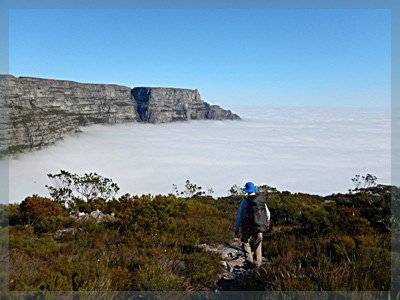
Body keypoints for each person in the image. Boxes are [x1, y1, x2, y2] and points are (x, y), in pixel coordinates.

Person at [234, 182, 271, 268]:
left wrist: (236, 228)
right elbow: (268, 213)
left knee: (245, 241)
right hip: (259, 226)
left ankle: (249, 261)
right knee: (258, 244)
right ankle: (258, 264)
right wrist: (266, 222)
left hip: (247, 226)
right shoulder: (261, 200)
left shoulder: (245, 201)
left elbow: (240, 215)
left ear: (246, 190)